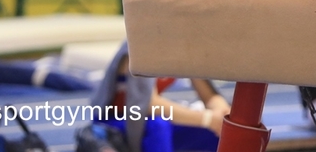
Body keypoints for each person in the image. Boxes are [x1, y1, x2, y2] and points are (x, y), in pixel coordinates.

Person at [90, 41, 231, 152]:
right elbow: (149, 104)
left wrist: (223, 114)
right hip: (115, 122)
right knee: (159, 125)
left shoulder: (186, 45)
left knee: (223, 130)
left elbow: (210, 96)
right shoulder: (140, 45)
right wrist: (207, 119)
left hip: (148, 120)